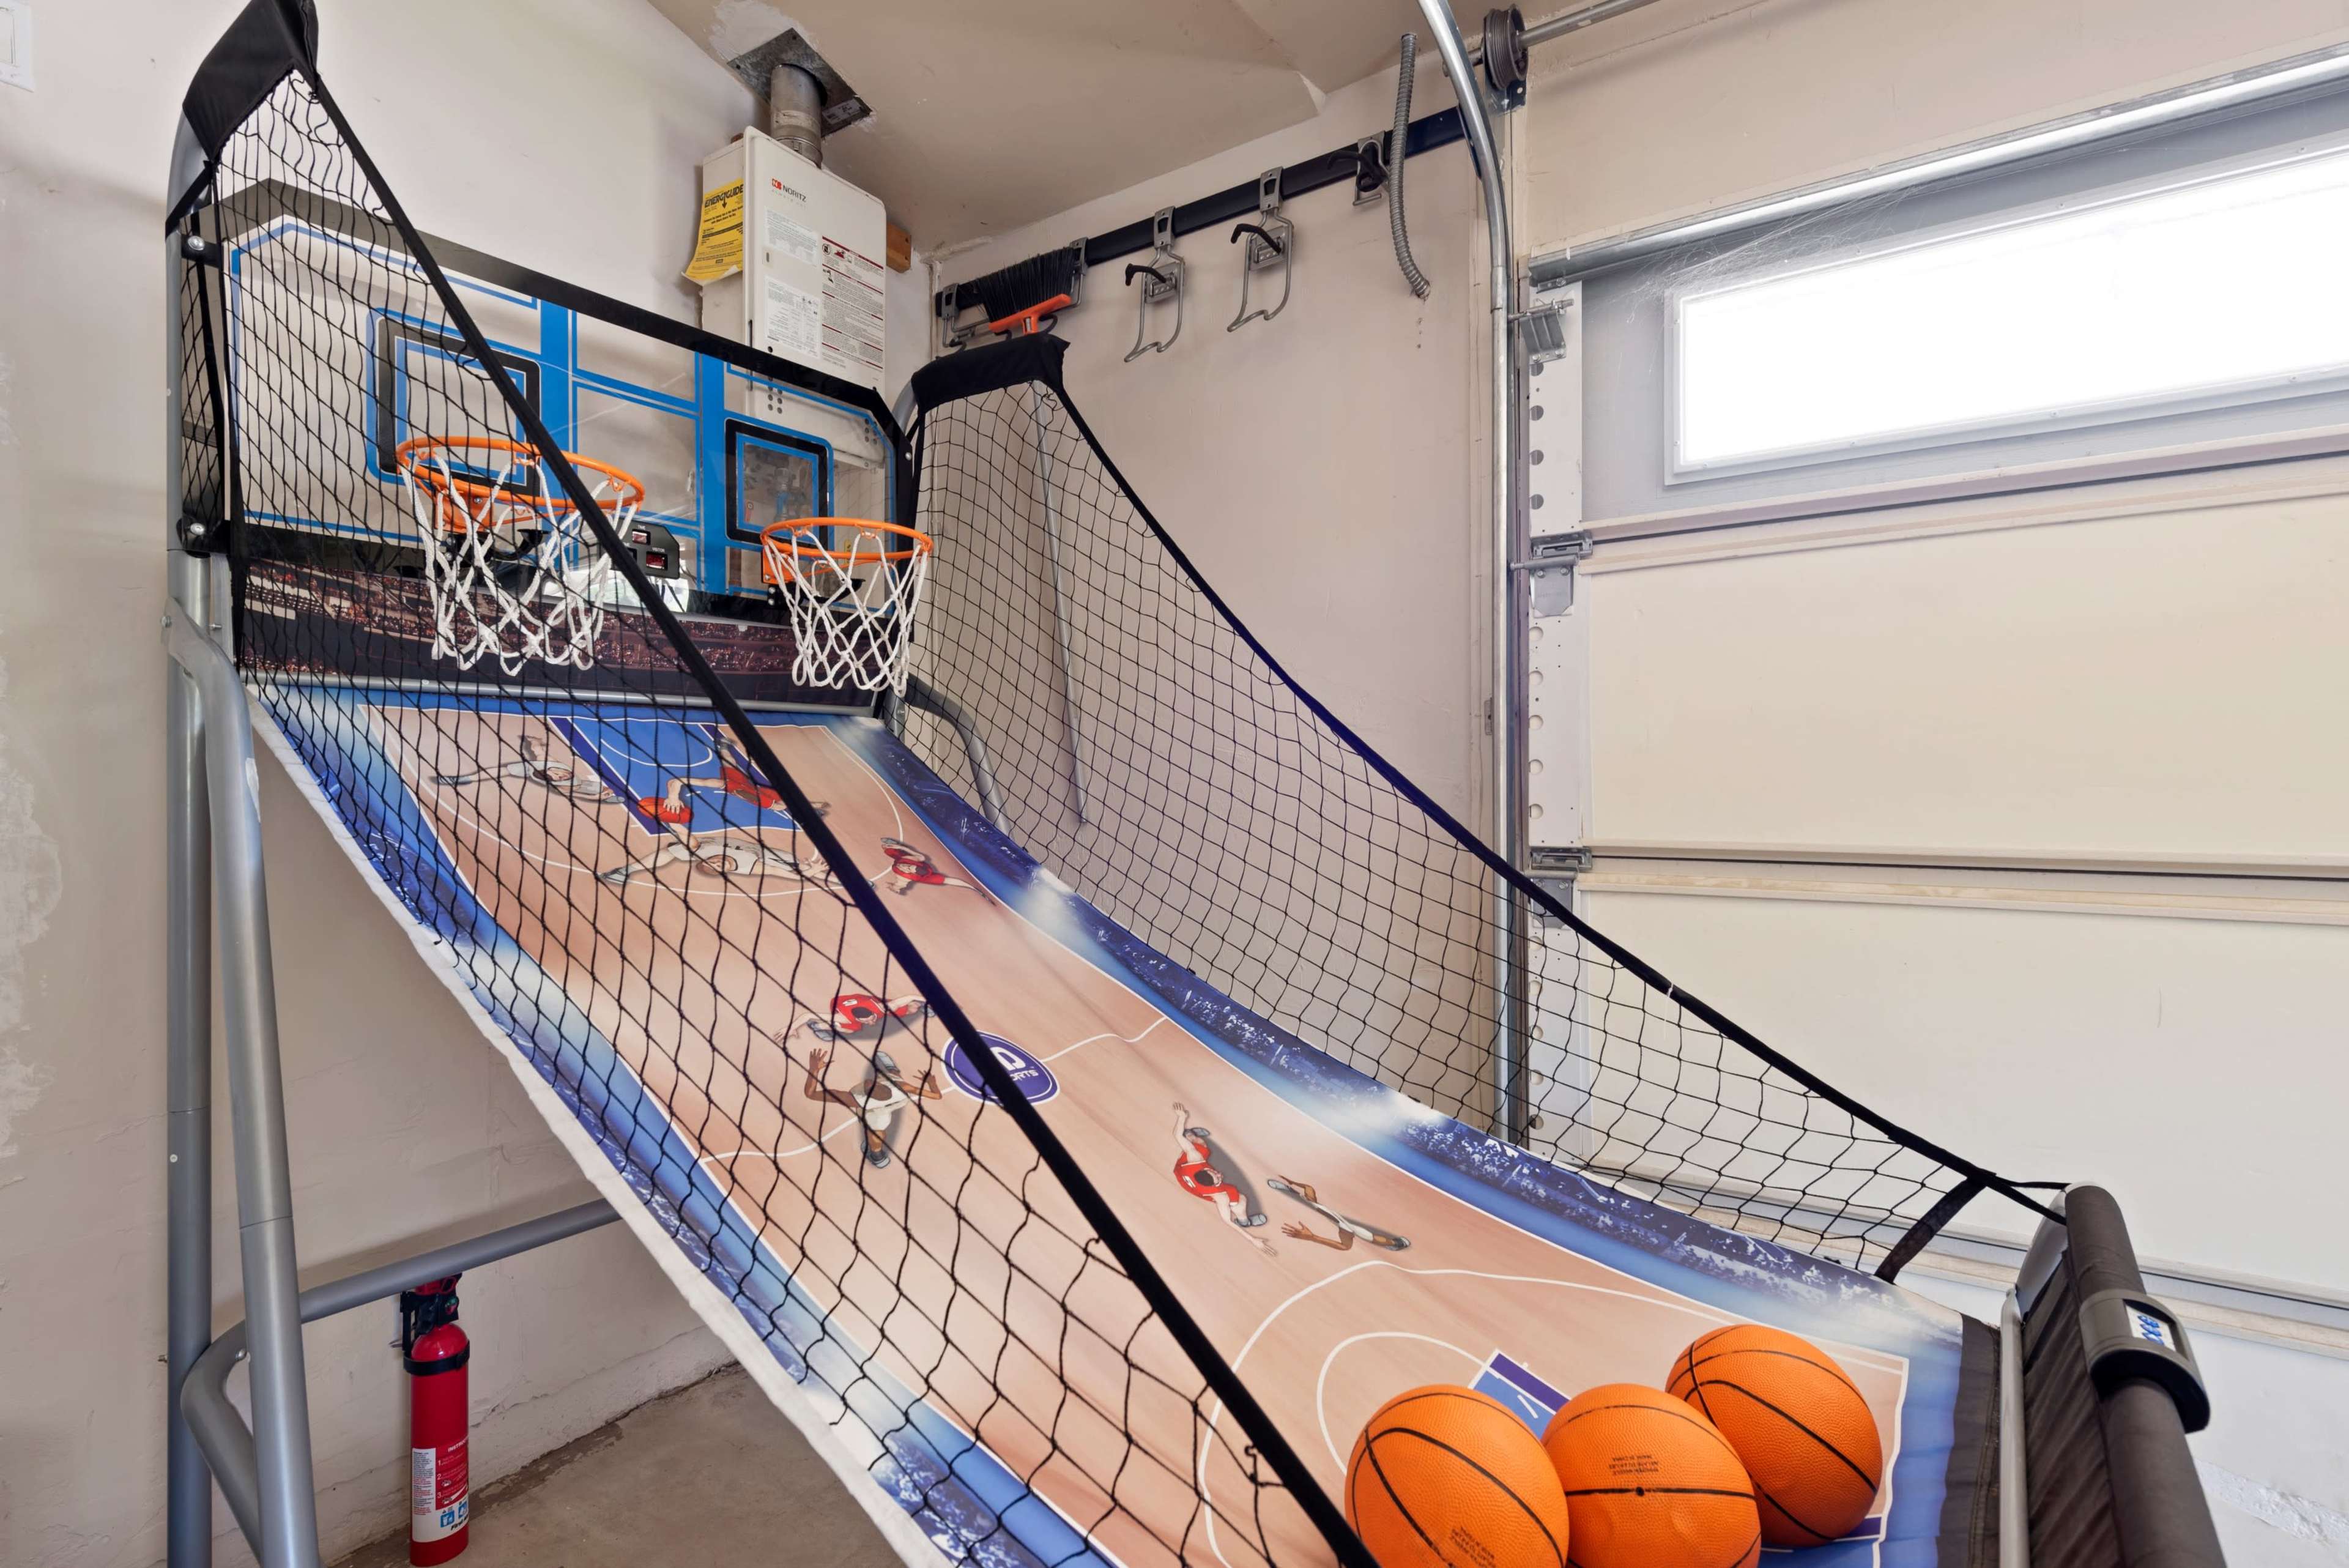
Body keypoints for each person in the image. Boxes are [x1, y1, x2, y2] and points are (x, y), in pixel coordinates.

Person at [804, 1046, 941, 1169]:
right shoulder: (903, 1087)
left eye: (869, 1086)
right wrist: (931, 1082)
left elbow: (811, 1094)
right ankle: (892, 1068)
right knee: (893, 1075)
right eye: (873, 1084)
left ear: (869, 1094)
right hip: (898, 1099)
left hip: (877, 1113)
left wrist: (814, 1070)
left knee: (875, 1133)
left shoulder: (856, 1100)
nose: (869, 1082)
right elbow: (937, 1096)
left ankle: (877, 1156)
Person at [1171, 1105, 1272, 1255]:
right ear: (1216, 1185)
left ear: (1204, 1169)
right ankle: (1244, 1221)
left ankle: (1190, 1135)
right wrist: (1253, 1240)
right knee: (1240, 1201)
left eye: (1214, 1173)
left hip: (1183, 1171)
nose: (1220, 1175)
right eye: (1218, 1179)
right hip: (1193, 1185)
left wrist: (1181, 1118)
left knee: (1199, 1145)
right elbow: (1227, 1221)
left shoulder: (1195, 1159)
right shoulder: (1220, 1196)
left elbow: (1177, 1136)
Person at [434, 733, 607, 801]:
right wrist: (598, 798)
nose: (562, 775)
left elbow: (536, 749)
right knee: (503, 771)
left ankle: (464, 779)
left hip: (535, 769)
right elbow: (572, 794)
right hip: (532, 770)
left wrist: (536, 740)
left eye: (559, 776)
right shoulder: (563, 782)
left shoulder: (547, 762)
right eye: (561, 778)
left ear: (552, 770)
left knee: (531, 753)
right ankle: (466, 779)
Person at [1267, 1175, 1411, 1252]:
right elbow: (1308, 1187)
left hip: (1340, 1223)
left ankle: (1397, 1243)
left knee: (1351, 1244)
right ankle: (1398, 1244)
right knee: (1368, 1238)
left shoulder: (1311, 1202)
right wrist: (1294, 1183)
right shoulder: (1312, 1201)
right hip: (1341, 1223)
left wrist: (1313, 1238)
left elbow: (1308, 1188)